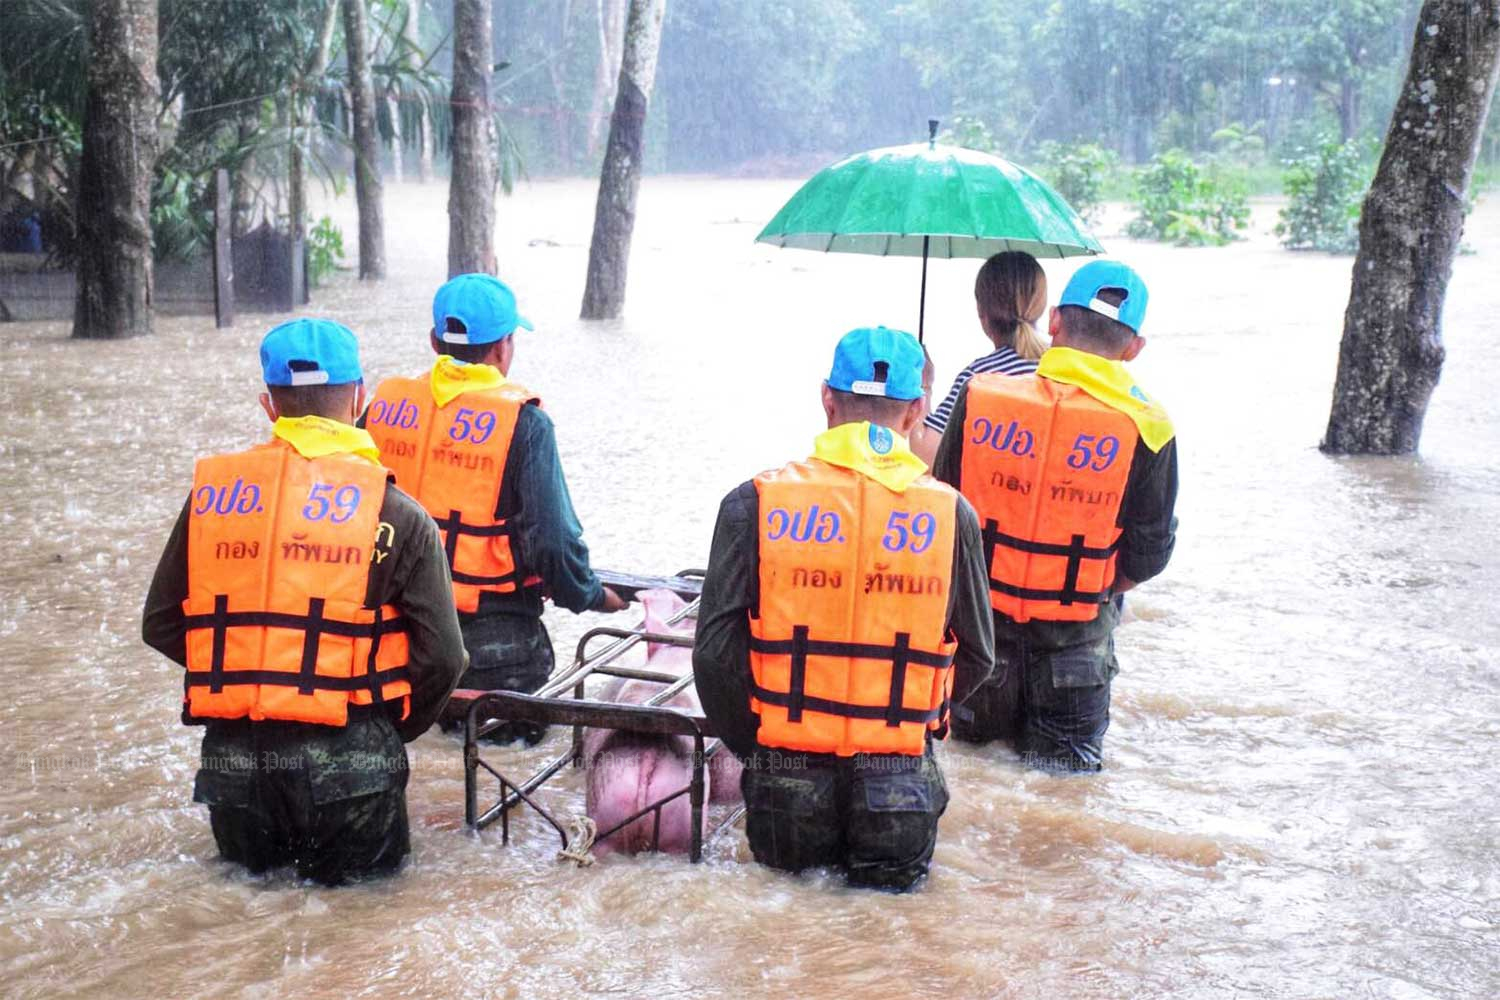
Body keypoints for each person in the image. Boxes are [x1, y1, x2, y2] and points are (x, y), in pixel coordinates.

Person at [142, 318, 468, 885]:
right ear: (360, 397)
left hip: (236, 765)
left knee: (246, 924)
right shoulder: (397, 512)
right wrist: (387, 729)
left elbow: (162, 624)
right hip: (353, 762)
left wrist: (253, 672)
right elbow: (444, 658)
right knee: (362, 934)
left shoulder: (214, 499)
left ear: (270, 405)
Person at [694, 326, 995, 891]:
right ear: (916, 412)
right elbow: (979, 654)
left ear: (827, 399)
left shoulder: (753, 502)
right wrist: (913, 717)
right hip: (898, 780)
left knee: (783, 937)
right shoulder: (953, 515)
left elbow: (714, 656)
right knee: (887, 945)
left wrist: (759, 744)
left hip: (785, 771)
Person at [932, 260, 1178, 772]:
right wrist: (1092, 589)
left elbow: (941, 508)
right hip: (1077, 653)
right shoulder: (1149, 428)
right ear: (1134, 349)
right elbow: (1150, 554)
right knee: (1062, 794)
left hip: (982, 645)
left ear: (1057, 325)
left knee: (970, 777)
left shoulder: (980, 396)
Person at [363, 273, 624, 742]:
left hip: (392, 645)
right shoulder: (525, 424)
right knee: (501, 780)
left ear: (433, 340)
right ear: (504, 347)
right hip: (495, 650)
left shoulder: (383, 407)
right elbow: (554, 544)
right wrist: (590, 595)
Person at [912, 251, 1049, 464]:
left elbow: (926, 459)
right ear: (1042, 306)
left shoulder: (978, 378)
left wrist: (924, 384)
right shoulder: (1068, 370)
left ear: (980, 310)